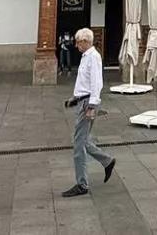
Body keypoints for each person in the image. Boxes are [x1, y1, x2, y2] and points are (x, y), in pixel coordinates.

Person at [61, 28, 115, 198]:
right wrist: (74, 98)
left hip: (88, 104)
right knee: (82, 140)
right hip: (82, 101)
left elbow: (96, 83)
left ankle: (82, 184)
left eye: (78, 42)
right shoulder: (86, 57)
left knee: (78, 144)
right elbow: (84, 83)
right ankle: (107, 161)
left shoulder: (94, 57)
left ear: (85, 41)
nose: (76, 45)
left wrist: (92, 105)